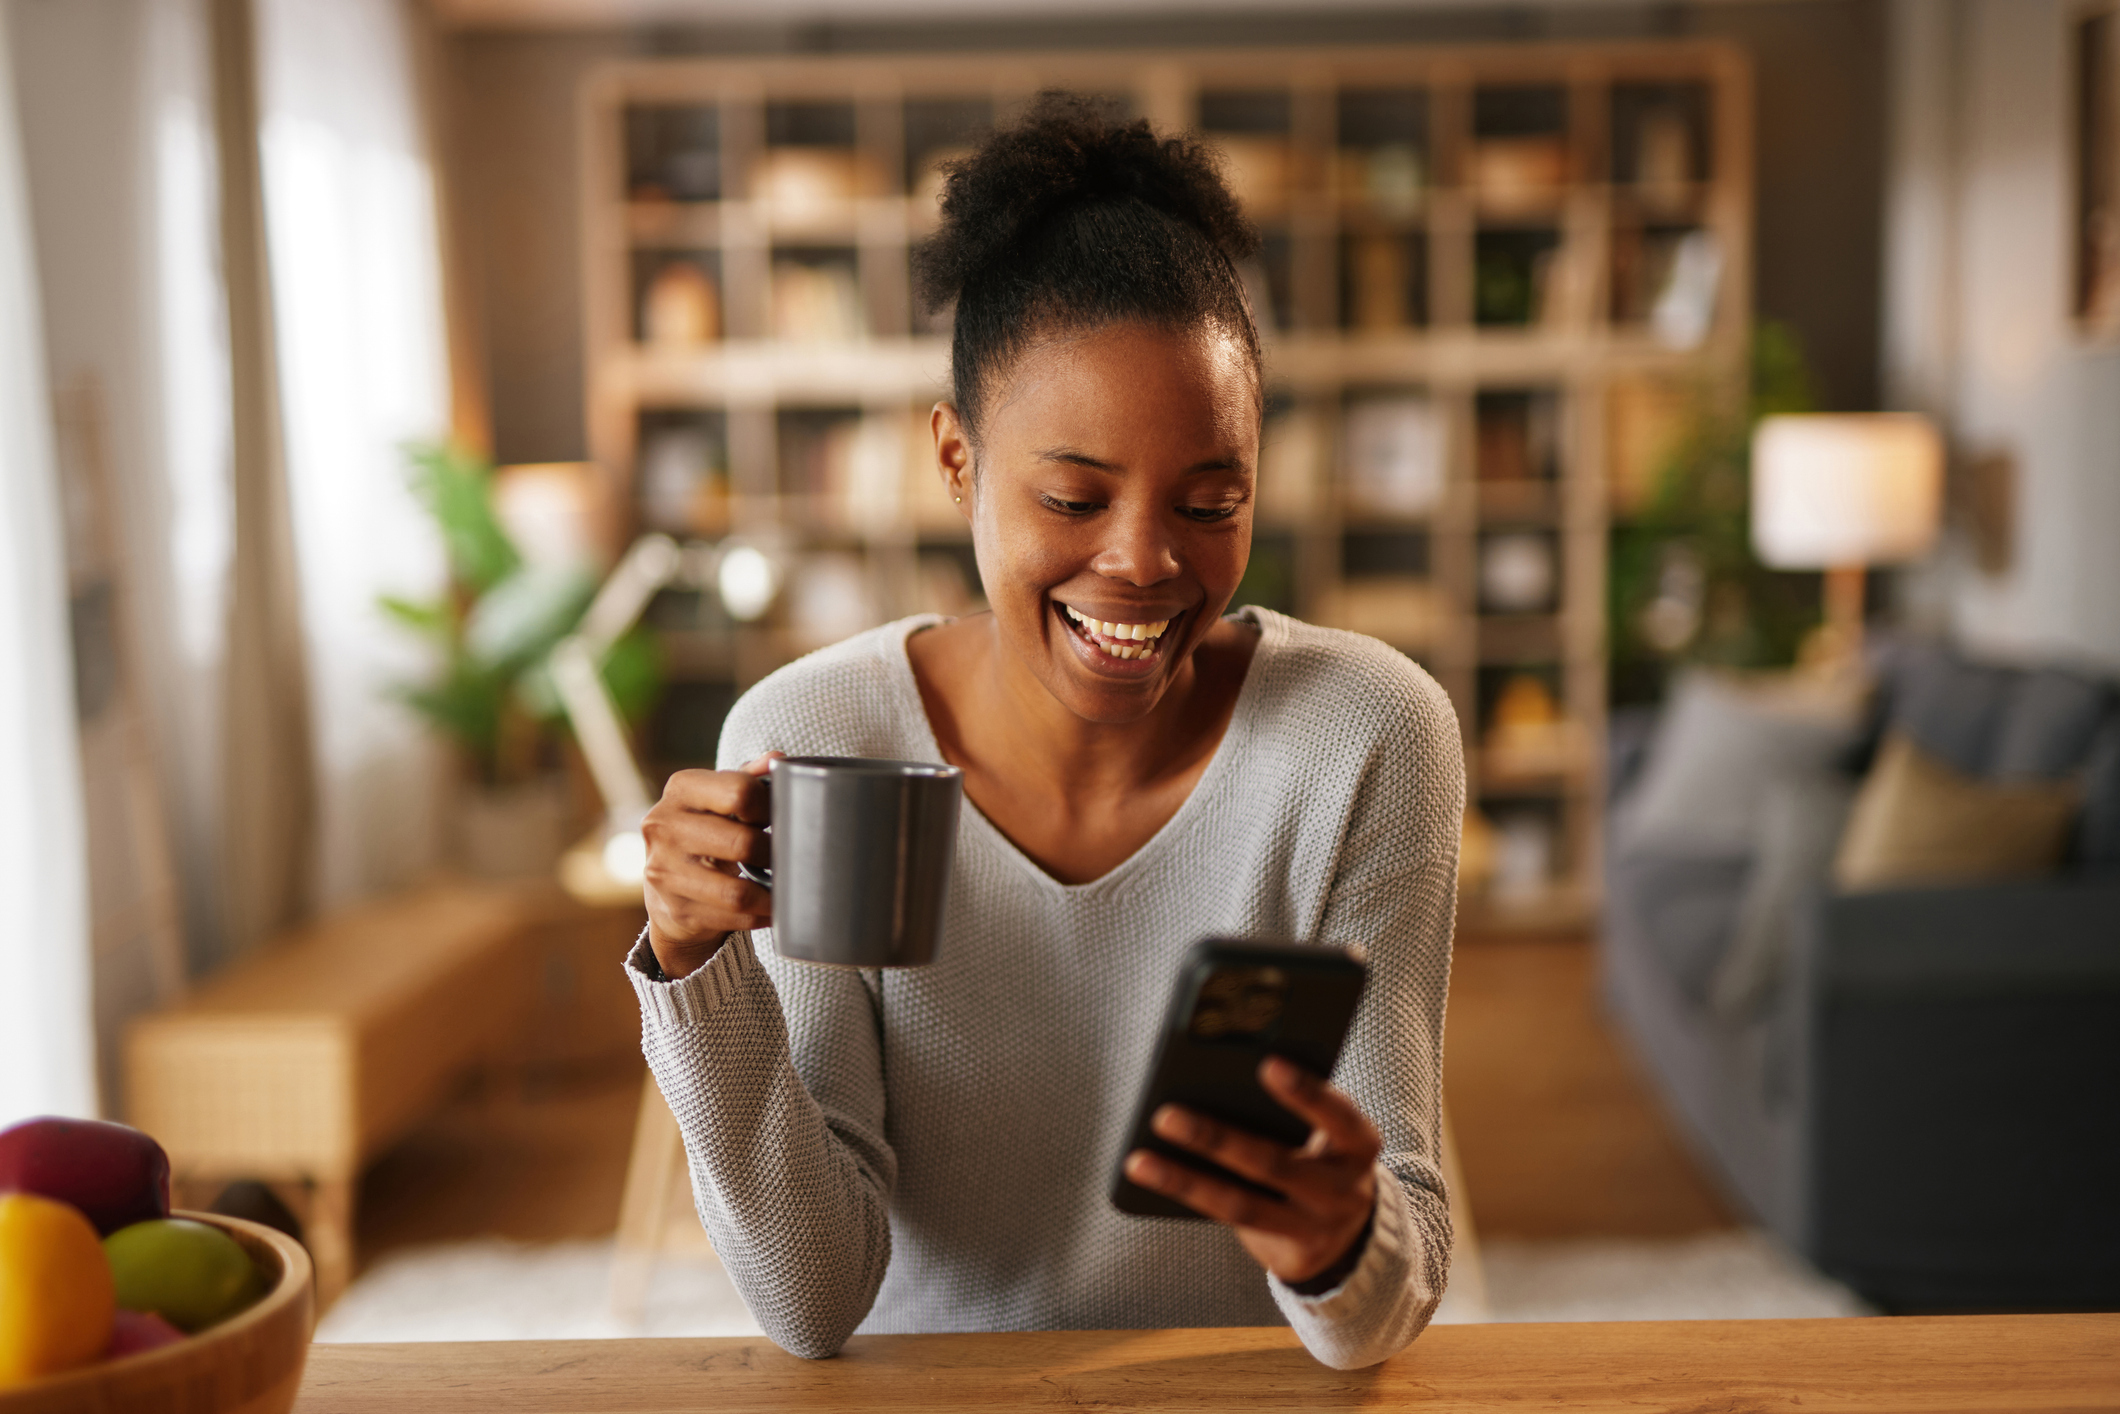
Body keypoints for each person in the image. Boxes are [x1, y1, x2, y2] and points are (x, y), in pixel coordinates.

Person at [630, 93, 1463, 1371]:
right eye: (1072, 495)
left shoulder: (1361, 736)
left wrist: (1338, 1239)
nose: (1143, 559)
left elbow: (1379, 1303)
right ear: (956, 462)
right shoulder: (817, 736)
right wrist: (696, 969)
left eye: (1209, 497)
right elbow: (813, 1295)